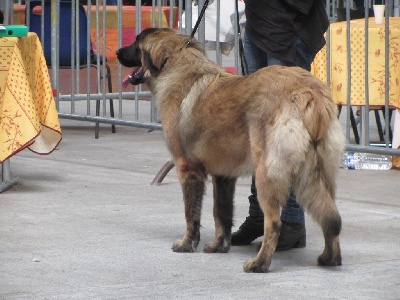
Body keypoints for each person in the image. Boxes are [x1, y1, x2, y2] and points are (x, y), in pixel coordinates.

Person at [231, 0, 330, 251]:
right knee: (259, 130)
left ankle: (292, 222)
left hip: (289, 26)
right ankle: (260, 215)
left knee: (286, 133)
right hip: (258, 21)